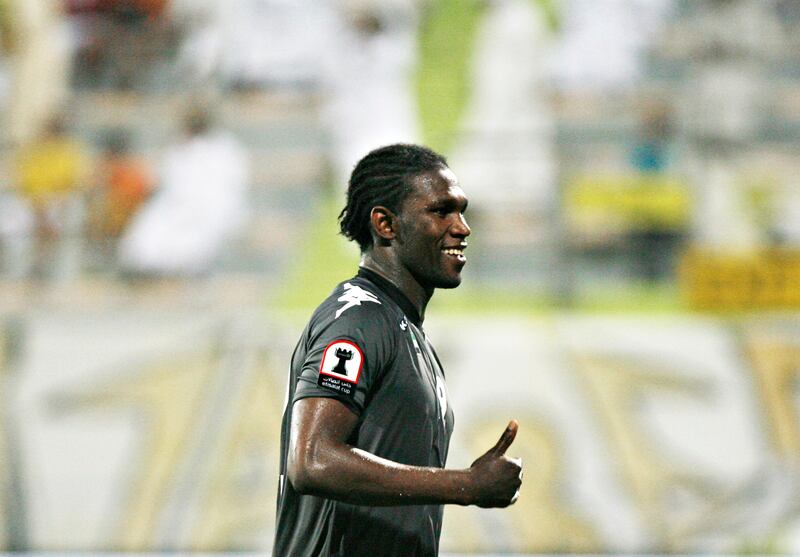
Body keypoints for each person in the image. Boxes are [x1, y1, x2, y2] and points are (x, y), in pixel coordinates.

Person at [274, 144, 523, 556]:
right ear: (386, 224)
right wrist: (467, 484)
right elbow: (313, 459)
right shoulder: (357, 320)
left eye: (462, 210)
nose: (462, 227)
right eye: (441, 211)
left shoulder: (406, 332)